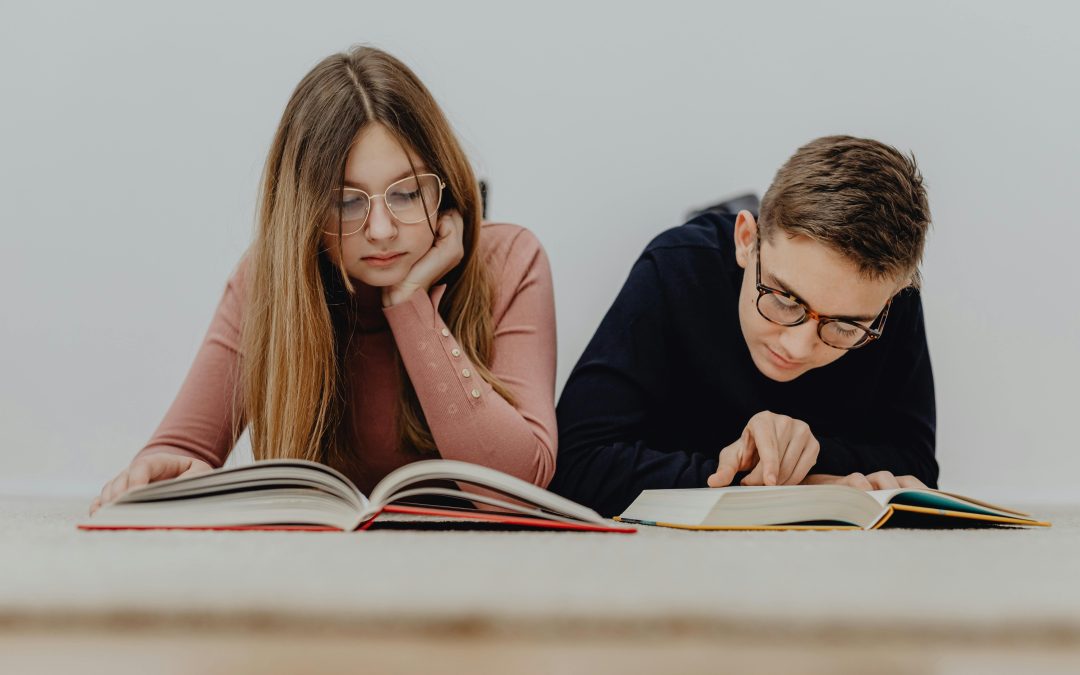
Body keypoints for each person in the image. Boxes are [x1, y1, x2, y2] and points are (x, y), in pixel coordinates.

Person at [91, 46, 557, 514]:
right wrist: (162, 475)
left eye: (409, 193)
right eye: (347, 203)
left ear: (446, 184)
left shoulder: (509, 261)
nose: (380, 230)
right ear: (306, 213)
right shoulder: (268, 281)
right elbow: (179, 451)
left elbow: (518, 489)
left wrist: (410, 304)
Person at [549, 136, 936, 517]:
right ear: (746, 239)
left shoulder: (887, 303)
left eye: (846, 326)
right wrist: (785, 488)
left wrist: (809, 453)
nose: (798, 347)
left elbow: (915, 468)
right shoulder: (677, 267)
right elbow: (576, 466)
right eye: (785, 300)